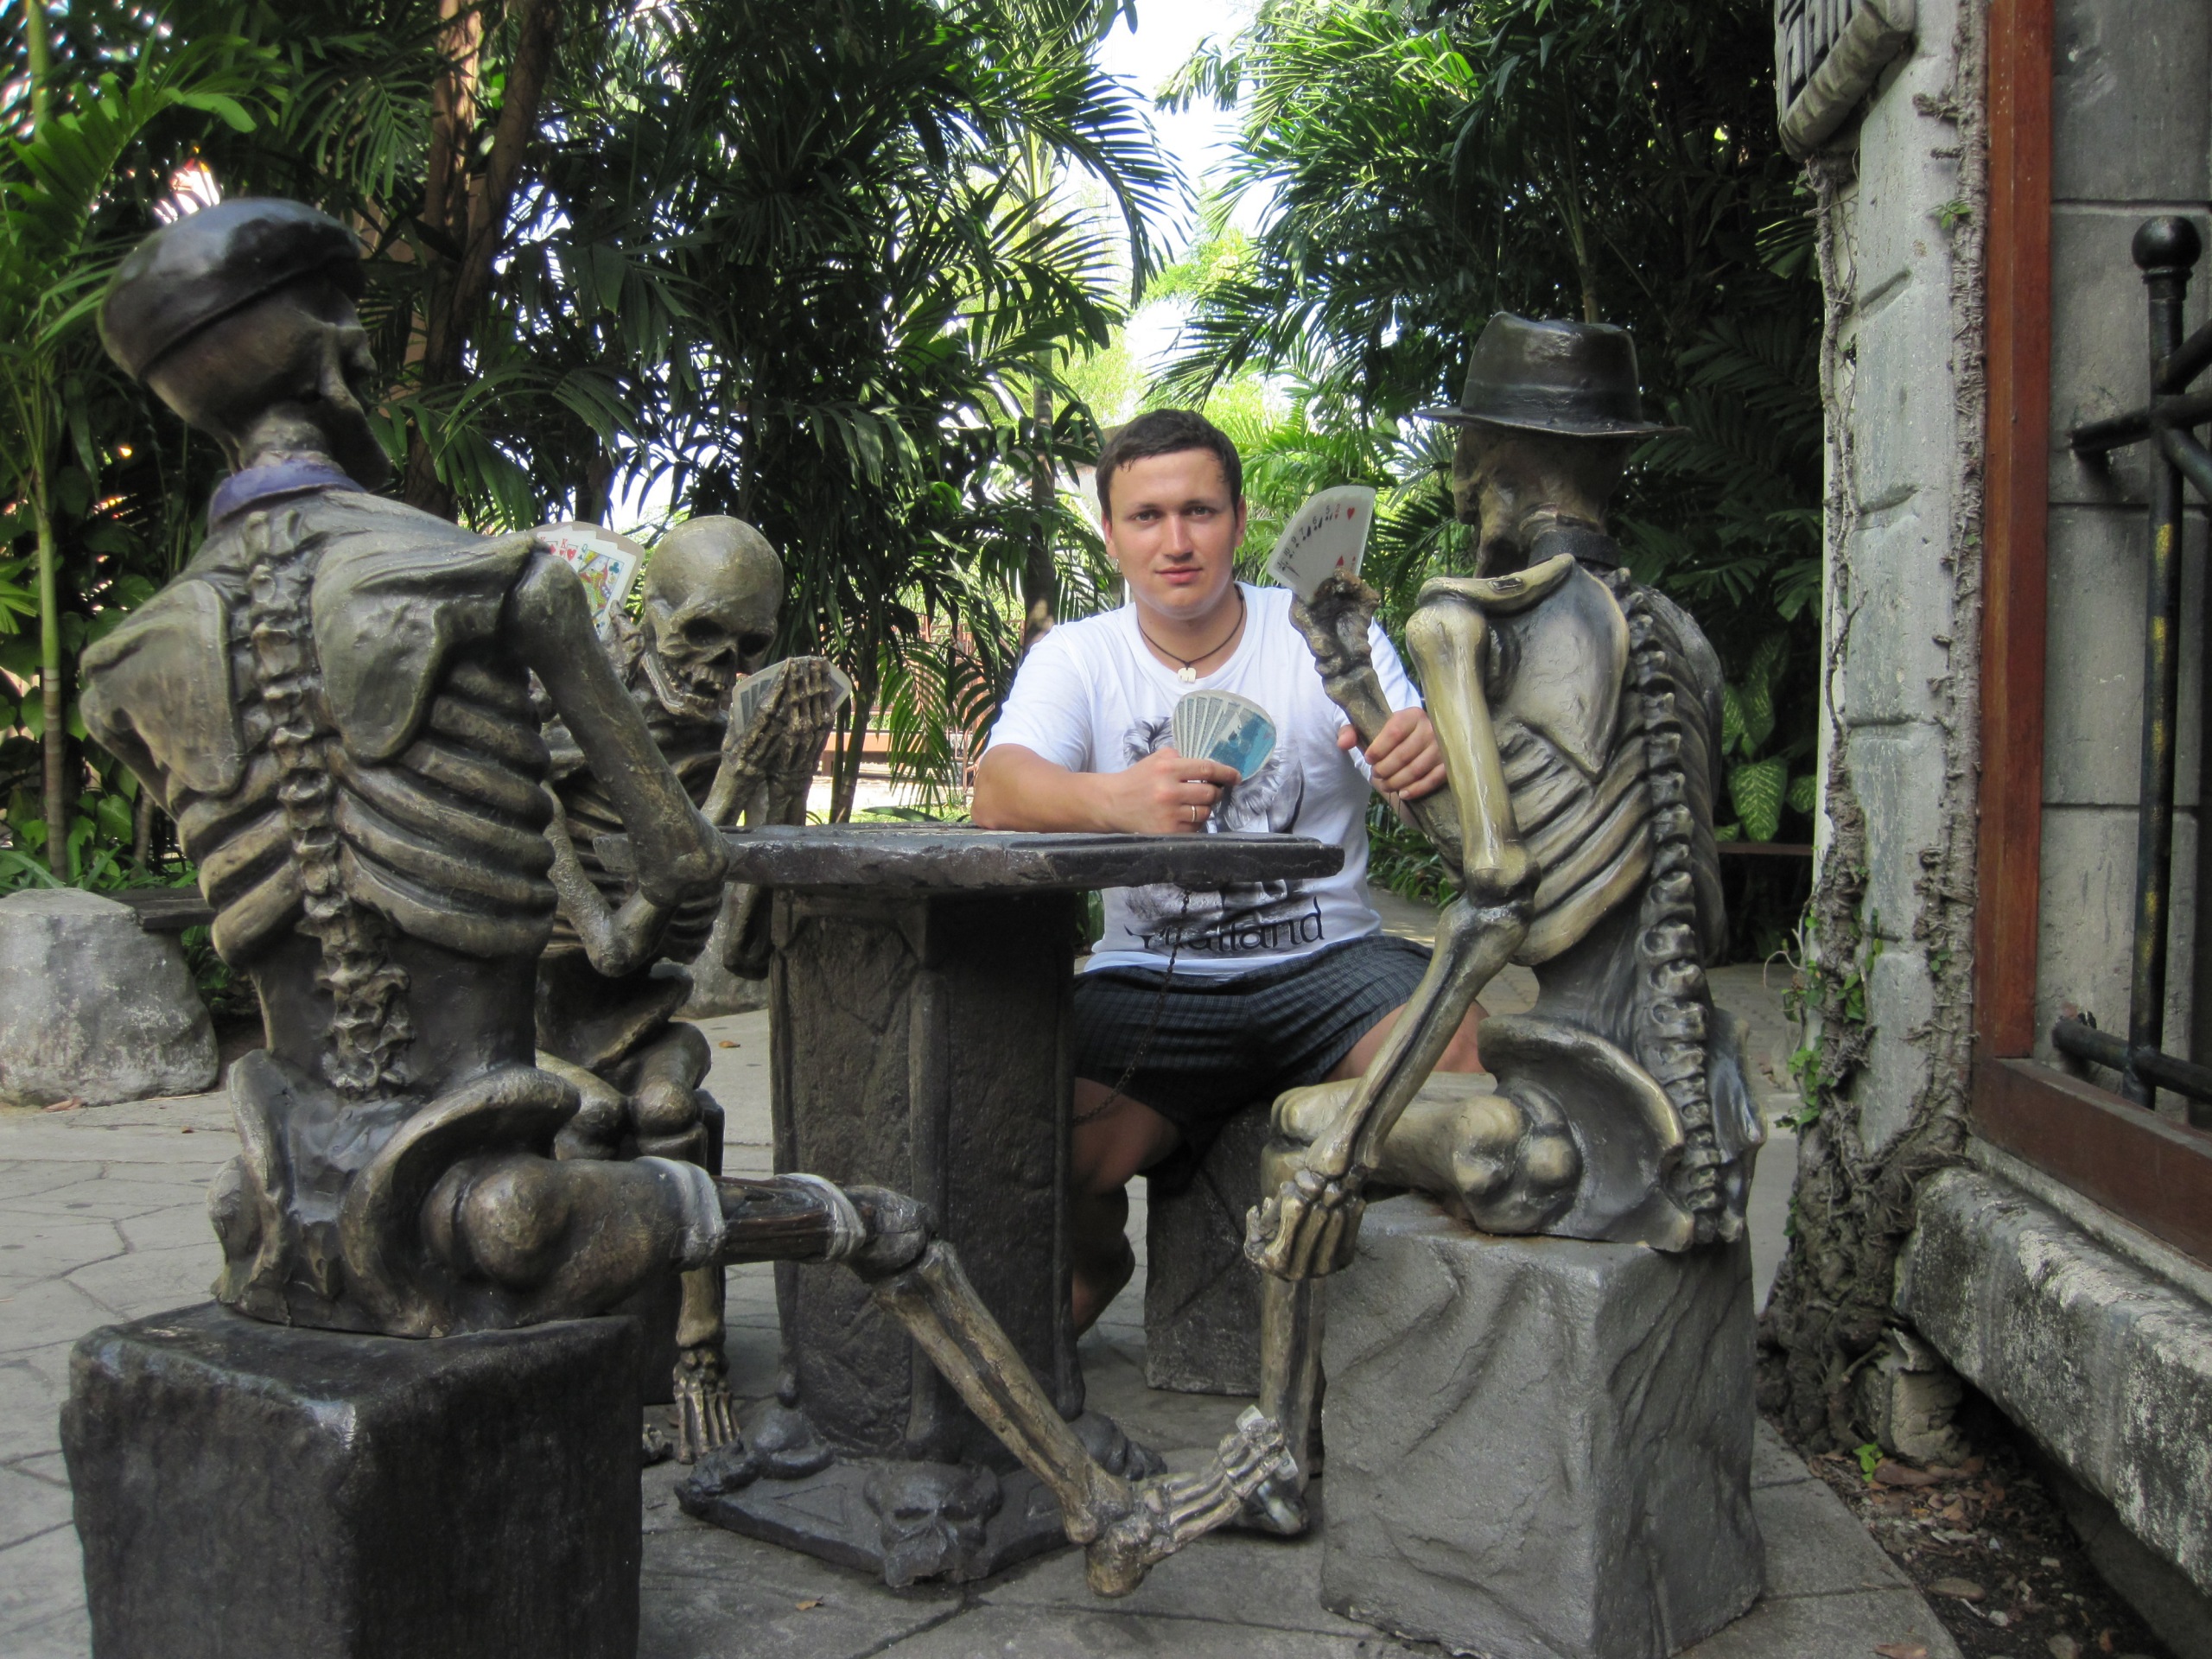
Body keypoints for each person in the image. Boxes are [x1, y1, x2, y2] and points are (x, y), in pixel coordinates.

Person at [970, 408, 1484, 1329]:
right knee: (1030, 1137)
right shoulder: (1079, 655)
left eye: (1199, 512)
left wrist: (1424, 755)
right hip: (1150, 981)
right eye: (1147, 516)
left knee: (1465, 1063)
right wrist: (1117, 800)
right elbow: (997, 789)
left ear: (1240, 522)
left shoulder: (1321, 631)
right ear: (1110, 533)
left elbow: (1410, 782)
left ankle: (1414, 1330)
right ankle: (1095, 1263)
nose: (1175, 541)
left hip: (1331, 962)